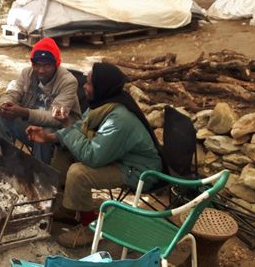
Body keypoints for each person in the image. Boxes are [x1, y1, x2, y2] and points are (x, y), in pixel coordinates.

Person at [27, 62, 163, 248]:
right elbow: (79, 129)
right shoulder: (101, 104)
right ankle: (70, 208)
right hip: (116, 158)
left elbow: (92, 156)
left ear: (101, 87)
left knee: (79, 173)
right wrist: (48, 137)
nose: (84, 86)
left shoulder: (119, 119)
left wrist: (66, 125)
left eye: (89, 83)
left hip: (138, 171)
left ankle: (88, 227)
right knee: (63, 150)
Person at [0, 37, 81, 164]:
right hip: (32, 125)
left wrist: (24, 112)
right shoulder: (27, 74)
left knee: (43, 133)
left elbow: (55, 118)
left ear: (56, 64)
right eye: (37, 65)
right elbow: (12, 93)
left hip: (61, 131)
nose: (41, 70)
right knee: (3, 118)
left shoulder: (68, 81)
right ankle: (5, 164)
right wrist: (4, 105)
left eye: (46, 66)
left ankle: (40, 177)